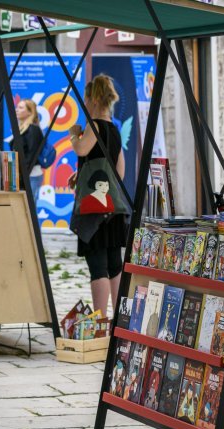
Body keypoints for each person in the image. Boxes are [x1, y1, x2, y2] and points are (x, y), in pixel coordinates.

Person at [68, 74, 126, 318]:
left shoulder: (94, 125)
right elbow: (119, 171)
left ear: (92, 99)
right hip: (113, 208)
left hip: (93, 211)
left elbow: (82, 148)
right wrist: (82, 175)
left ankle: (100, 319)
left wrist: (74, 134)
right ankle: (119, 318)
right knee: (115, 264)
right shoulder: (114, 129)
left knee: (97, 266)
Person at [10, 98, 44, 204]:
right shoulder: (22, 129)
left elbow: (32, 154)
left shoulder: (33, 129)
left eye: (20, 107)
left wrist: (22, 174)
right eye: (17, 107)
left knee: (30, 209)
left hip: (31, 175)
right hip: (24, 175)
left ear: (30, 112)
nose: (16, 110)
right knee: (24, 208)